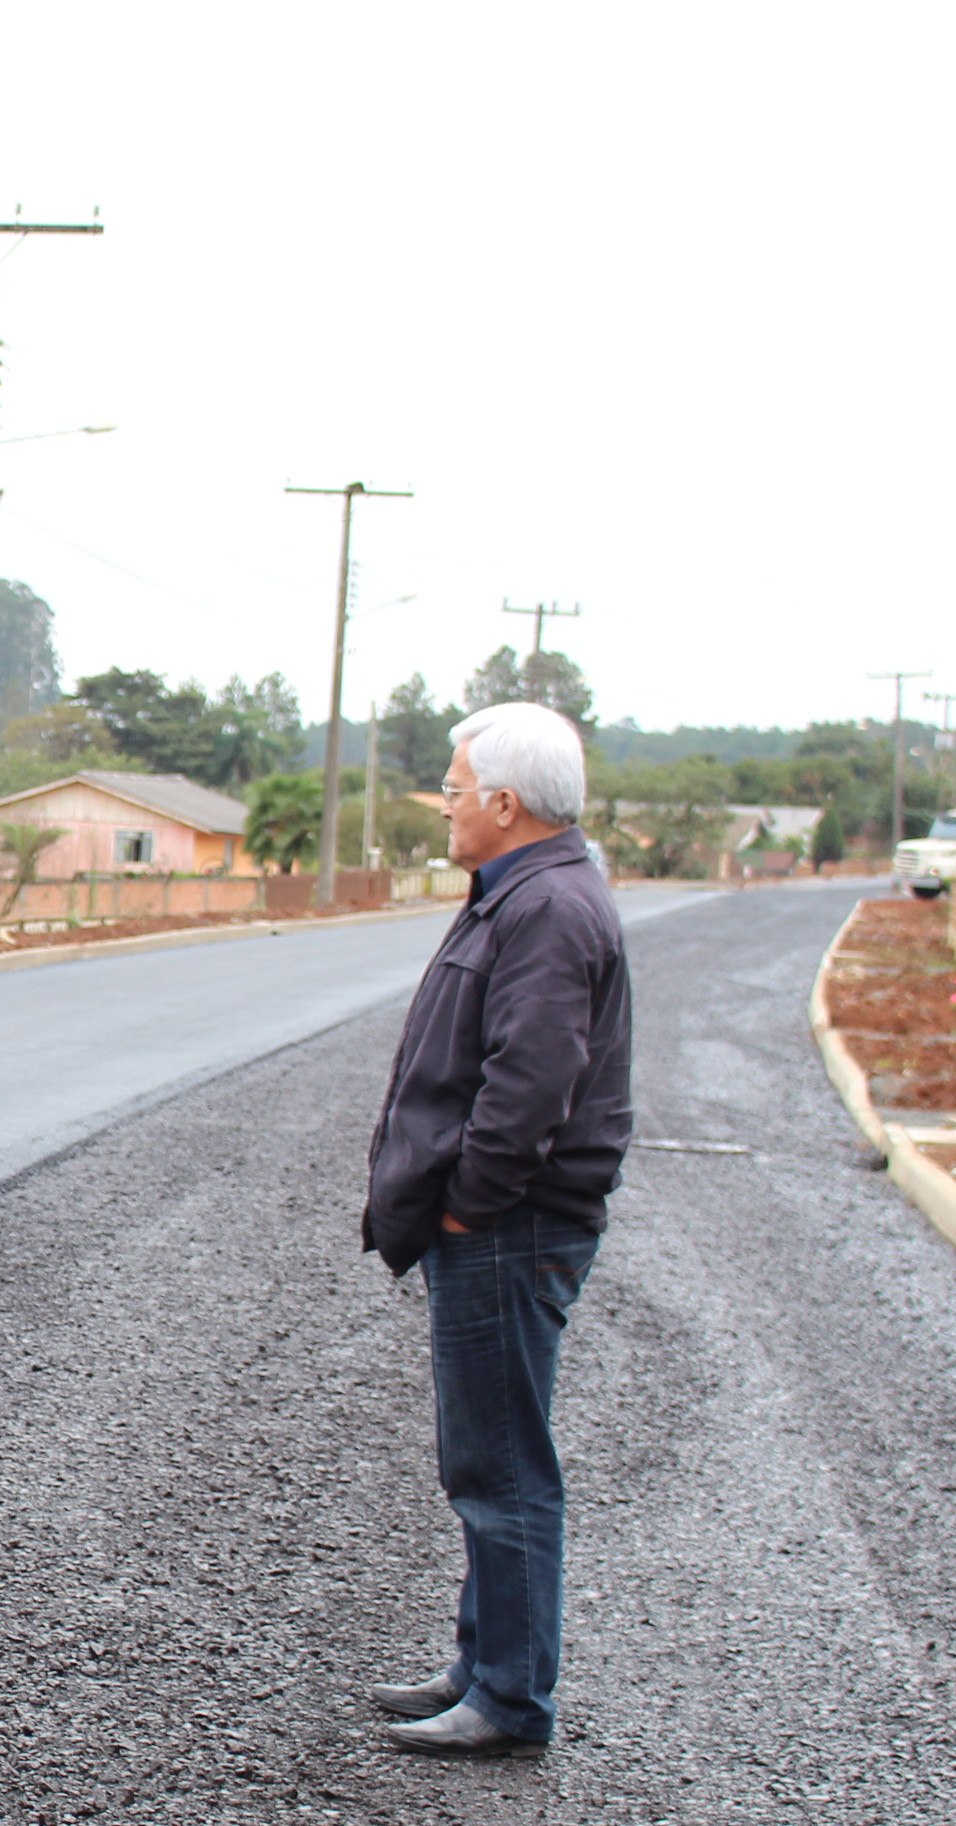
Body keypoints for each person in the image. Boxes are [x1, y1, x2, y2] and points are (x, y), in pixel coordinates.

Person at [359, 700, 633, 1759]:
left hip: (510, 1228)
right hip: (499, 1224)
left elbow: (531, 1081)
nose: (446, 803)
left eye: (458, 787)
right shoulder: (526, 894)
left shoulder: (549, 909)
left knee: (502, 1466)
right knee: (484, 1456)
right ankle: (483, 1664)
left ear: (506, 804)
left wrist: (470, 1201)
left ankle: (511, 1699)